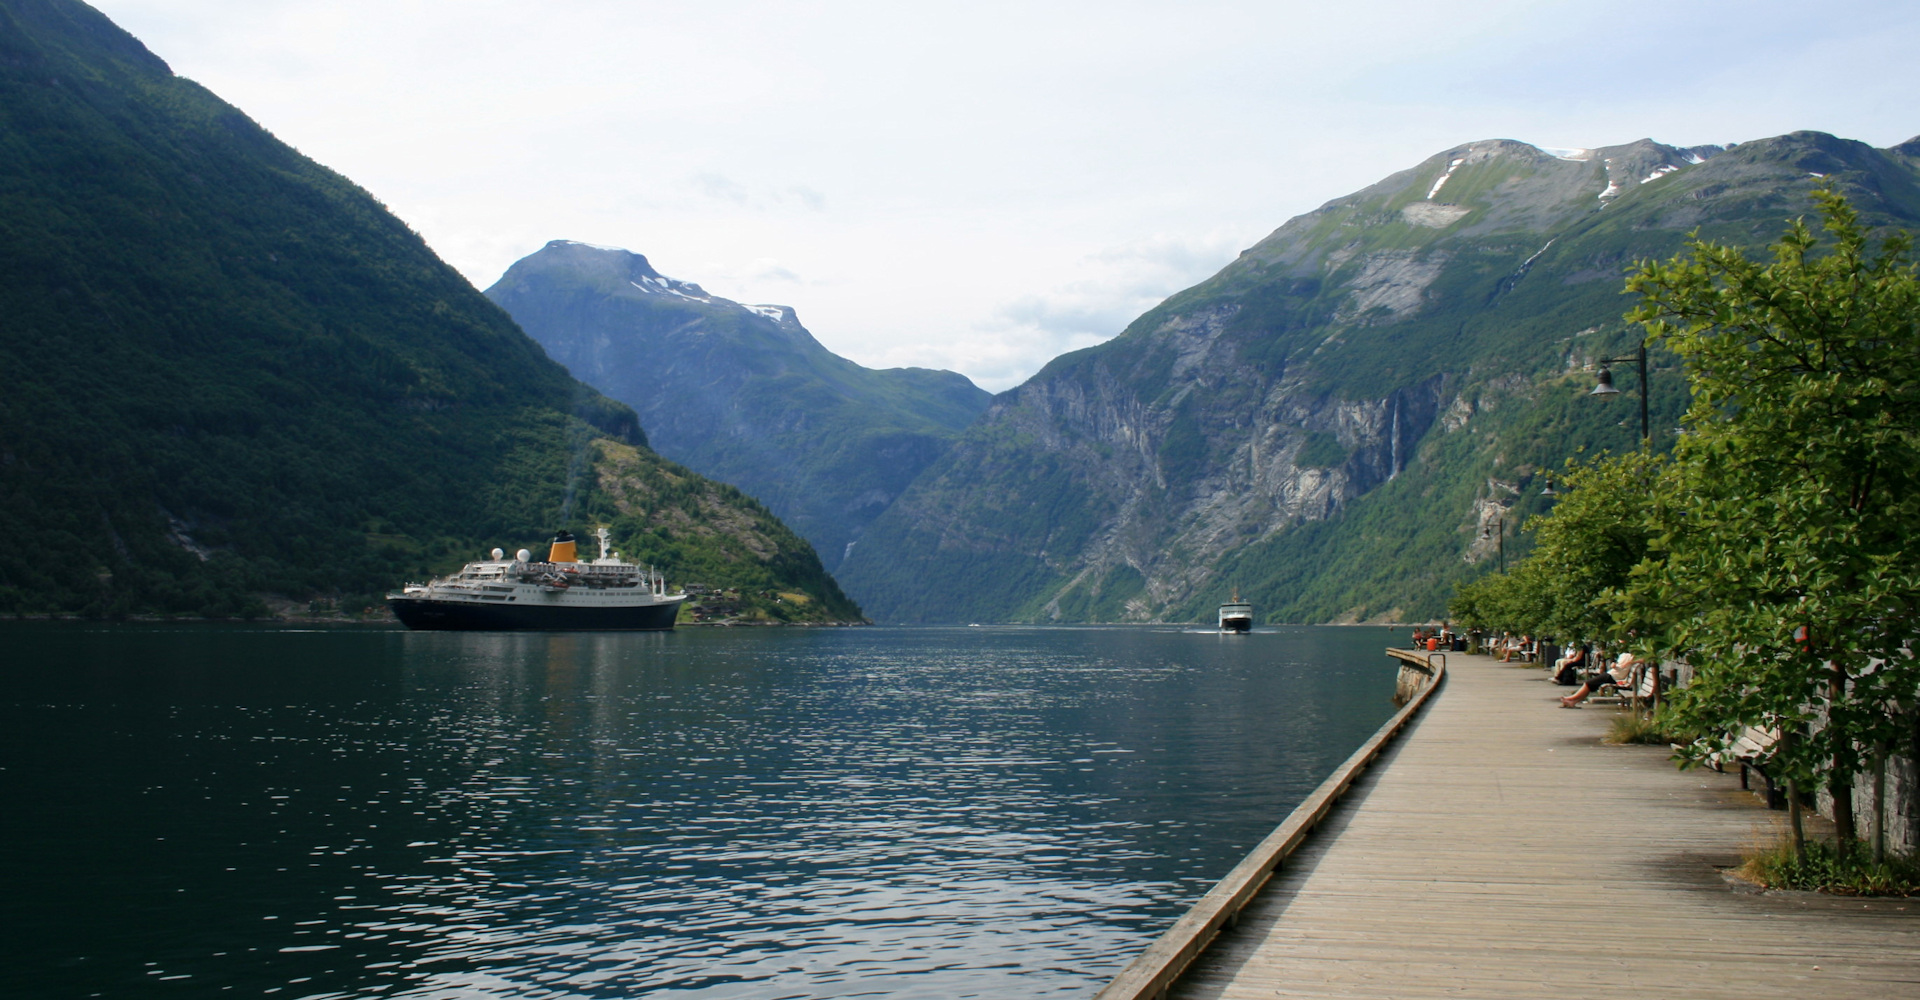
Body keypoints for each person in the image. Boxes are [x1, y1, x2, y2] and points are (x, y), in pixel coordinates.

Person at [1561, 652, 1639, 707]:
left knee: (1588, 684)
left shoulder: (1632, 657)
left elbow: (1642, 660)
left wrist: (1629, 662)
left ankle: (1571, 698)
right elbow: (1618, 665)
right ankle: (1573, 702)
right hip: (1611, 674)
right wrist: (1614, 665)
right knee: (1589, 686)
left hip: (1613, 676)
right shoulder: (1624, 654)